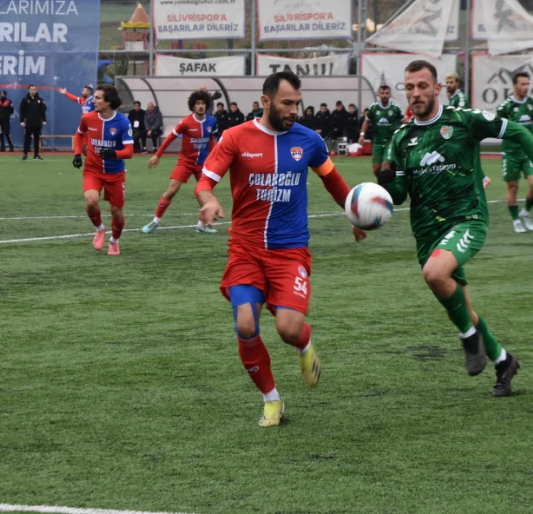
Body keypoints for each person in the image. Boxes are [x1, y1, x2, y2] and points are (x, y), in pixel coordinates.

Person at [195, 70, 366, 427]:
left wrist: (354, 213)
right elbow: (205, 182)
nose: (293, 110)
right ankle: (271, 400)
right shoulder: (235, 138)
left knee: (289, 329)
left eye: (297, 103)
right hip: (245, 249)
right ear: (266, 101)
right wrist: (208, 201)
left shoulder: (310, 140)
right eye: (287, 103)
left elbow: (334, 182)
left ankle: (304, 344)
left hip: (290, 252)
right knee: (245, 325)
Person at [377, 60, 533, 397]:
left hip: (467, 220)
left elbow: (517, 132)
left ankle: (467, 338)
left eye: (422, 86)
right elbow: (399, 196)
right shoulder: (401, 139)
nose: (416, 93)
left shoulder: (464, 120)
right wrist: (384, 187)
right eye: (410, 87)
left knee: (434, 274)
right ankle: (504, 361)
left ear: (437, 89)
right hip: (427, 233)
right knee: (461, 305)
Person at [142, 90, 219, 235]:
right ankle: (155, 221)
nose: (200, 106)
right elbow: (170, 138)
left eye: (203, 103)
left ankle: (201, 225)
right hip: (186, 162)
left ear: (206, 105)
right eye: (198, 103)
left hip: (202, 164)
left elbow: (211, 140)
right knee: (171, 191)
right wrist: (157, 155)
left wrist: (212, 158)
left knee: (205, 194)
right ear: (193, 106)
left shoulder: (211, 122)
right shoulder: (186, 122)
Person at [72, 84, 134, 255]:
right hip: (93, 170)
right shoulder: (88, 118)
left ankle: (114, 241)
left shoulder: (122, 122)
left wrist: (114, 153)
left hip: (115, 174)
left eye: (98, 98)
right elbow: (79, 135)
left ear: (108, 102)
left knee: (116, 212)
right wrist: (78, 153)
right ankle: (100, 229)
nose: (94, 100)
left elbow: (129, 152)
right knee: (91, 202)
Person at [495, 71, 533, 233]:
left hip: (528, 152)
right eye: (522, 84)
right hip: (510, 153)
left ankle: (525, 212)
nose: (526, 87)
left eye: (527, 84)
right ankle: (515, 220)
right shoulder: (505, 107)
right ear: (514, 85)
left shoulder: (532, 103)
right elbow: (496, 127)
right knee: (513, 186)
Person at [359, 85, 405, 175]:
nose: (384, 95)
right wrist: (362, 134)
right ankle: (383, 183)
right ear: (378, 95)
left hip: (391, 141)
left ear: (390, 95)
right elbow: (366, 121)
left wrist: (407, 133)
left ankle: (387, 186)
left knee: (386, 165)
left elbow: (404, 121)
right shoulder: (373, 108)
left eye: (387, 93)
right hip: (377, 141)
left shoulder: (395, 108)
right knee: (376, 169)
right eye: (382, 93)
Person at [19, 85, 47, 161]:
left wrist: (44, 120)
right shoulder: (25, 100)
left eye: (34, 89)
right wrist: (21, 121)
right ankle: (25, 154)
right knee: (27, 139)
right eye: (31, 89)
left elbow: (43, 111)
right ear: (29, 90)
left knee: (37, 139)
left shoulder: (40, 100)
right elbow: (21, 111)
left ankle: (36, 154)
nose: (33, 91)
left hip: (37, 123)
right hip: (28, 123)